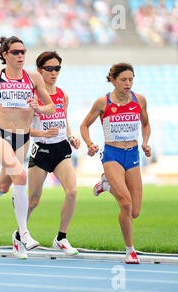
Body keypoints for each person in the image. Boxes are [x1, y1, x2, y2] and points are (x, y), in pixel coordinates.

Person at [0, 36, 54, 252]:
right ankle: (23, 234)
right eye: (16, 52)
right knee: (20, 176)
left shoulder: (34, 77)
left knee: (3, 186)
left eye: (24, 52)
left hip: (23, 137)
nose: (21, 56)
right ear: (5, 55)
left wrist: (39, 107)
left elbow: (51, 107)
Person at [80, 62, 152, 264]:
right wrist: (90, 143)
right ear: (113, 80)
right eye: (123, 80)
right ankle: (130, 250)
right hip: (112, 154)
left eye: (130, 79)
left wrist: (145, 142)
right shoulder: (103, 102)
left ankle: (106, 184)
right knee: (126, 203)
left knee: (135, 212)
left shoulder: (140, 100)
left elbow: (146, 124)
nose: (128, 83)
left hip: (133, 154)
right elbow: (84, 125)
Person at [20, 51, 81, 259]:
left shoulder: (63, 95)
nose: (54, 73)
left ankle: (61, 238)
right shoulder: (33, 96)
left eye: (57, 69)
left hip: (62, 148)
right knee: (34, 200)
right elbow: (24, 128)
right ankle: (20, 234)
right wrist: (43, 133)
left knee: (72, 192)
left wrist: (71, 136)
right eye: (49, 69)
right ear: (39, 70)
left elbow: (64, 120)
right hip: (42, 149)